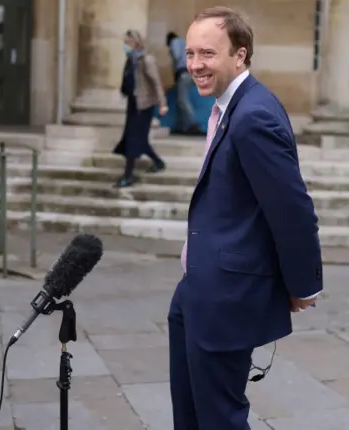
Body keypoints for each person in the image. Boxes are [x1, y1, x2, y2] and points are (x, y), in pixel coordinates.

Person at [168, 7, 322, 429]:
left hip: (226, 299)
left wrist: (302, 284)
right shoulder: (229, 106)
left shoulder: (253, 115)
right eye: (191, 53)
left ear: (240, 55)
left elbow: (291, 209)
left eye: (208, 54)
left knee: (218, 418)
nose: (196, 65)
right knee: (192, 415)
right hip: (197, 290)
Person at [113, 29, 168, 188]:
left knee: (133, 139)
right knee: (138, 139)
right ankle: (158, 162)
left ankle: (128, 175)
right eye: (125, 43)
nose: (125, 46)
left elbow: (156, 83)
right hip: (133, 103)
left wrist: (162, 103)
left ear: (135, 43)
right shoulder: (130, 60)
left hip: (144, 106)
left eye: (128, 43)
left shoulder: (146, 60)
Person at [166, 31, 201, 135]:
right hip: (191, 74)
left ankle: (193, 124)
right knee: (181, 100)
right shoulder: (184, 43)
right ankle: (181, 126)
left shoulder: (174, 42)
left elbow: (176, 56)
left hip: (184, 73)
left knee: (182, 100)